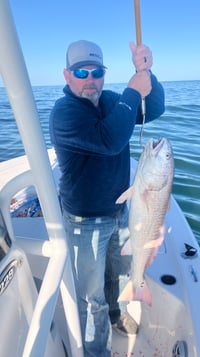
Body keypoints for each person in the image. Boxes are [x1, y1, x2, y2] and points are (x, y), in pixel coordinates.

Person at [49, 39, 165, 356]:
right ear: (67, 74)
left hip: (119, 212)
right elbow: (110, 139)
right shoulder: (64, 113)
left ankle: (116, 317)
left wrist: (147, 74)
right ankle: (96, 351)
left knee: (120, 273)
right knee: (92, 298)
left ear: (103, 73)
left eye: (97, 71)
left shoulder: (112, 101)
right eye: (81, 71)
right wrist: (132, 89)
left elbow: (153, 109)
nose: (90, 79)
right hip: (84, 222)